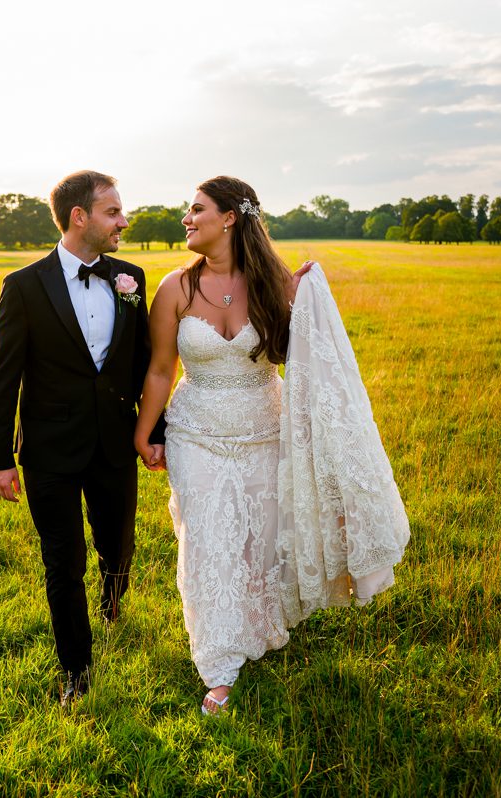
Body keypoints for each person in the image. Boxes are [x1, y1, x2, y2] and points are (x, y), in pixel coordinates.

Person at [134, 176, 410, 715]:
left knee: (260, 541)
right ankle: (219, 663)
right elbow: (161, 369)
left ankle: (259, 626)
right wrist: (146, 431)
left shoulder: (276, 283)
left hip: (266, 429)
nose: (186, 220)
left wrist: (306, 296)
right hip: (196, 435)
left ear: (230, 218)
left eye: (196, 210)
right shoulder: (175, 288)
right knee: (210, 540)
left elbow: (302, 356)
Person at [0, 170, 162, 707]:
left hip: (114, 444)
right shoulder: (24, 285)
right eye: (113, 212)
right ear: (79, 217)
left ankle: (113, 597)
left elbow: (140, 367)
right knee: (63, 561)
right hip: (49, 451)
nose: (124, 221)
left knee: (118, 547)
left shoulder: (131, 277)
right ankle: (77, 672)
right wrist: (0, 459)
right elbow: (4, 375)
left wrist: (151, 432)